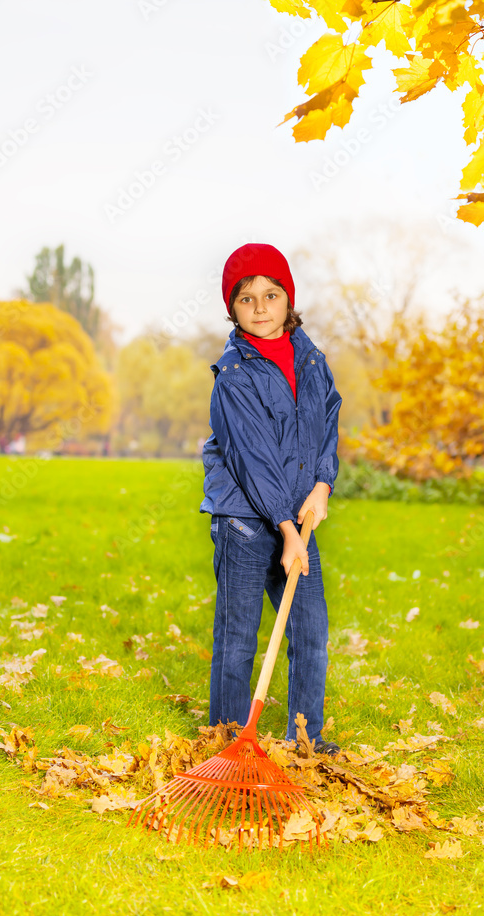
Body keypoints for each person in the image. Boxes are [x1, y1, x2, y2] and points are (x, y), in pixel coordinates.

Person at [199, 243, 343, 754]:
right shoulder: (233, 376)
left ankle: (307, 738)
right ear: (232, 309)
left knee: (309, 630)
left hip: (296, 518)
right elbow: (252, 458)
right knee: (238, 636)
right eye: (246, 298)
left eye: (271, 294)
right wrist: (285, 529)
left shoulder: (313, 361)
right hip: (244, 517)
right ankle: (230, 740)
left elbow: (327, 426)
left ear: (288, 300)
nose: (260, 307)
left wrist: (323, 485)